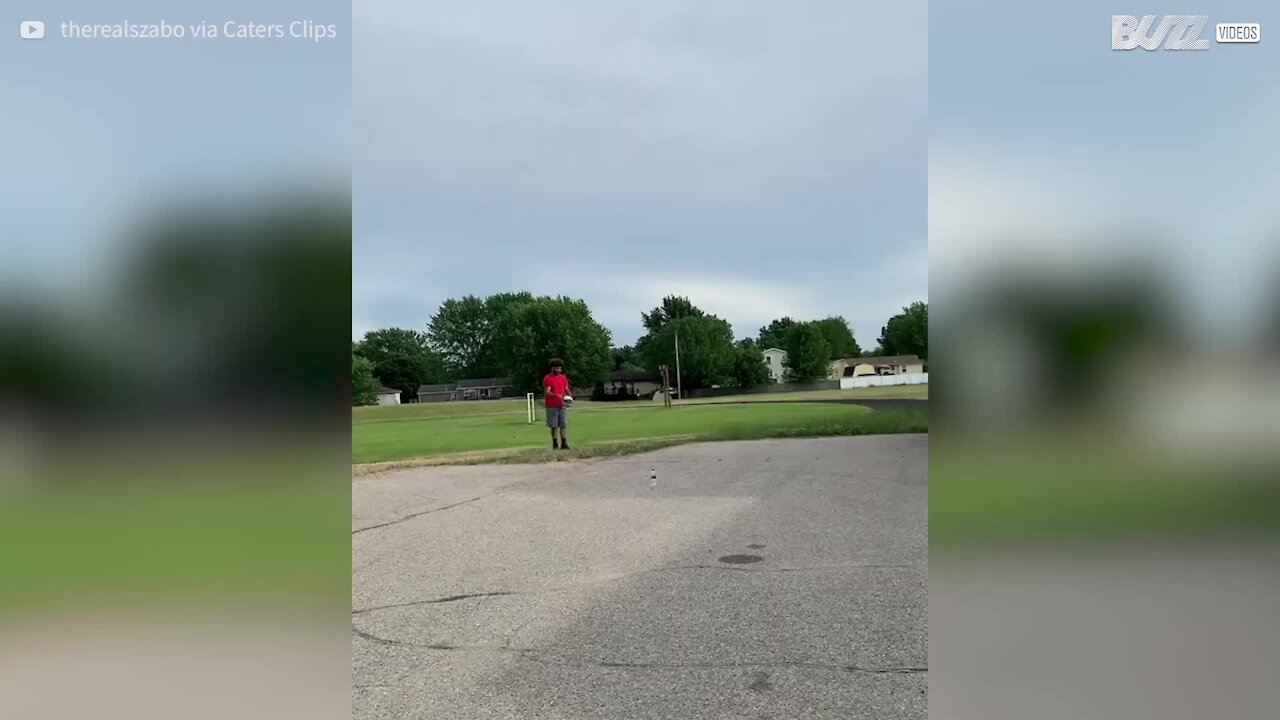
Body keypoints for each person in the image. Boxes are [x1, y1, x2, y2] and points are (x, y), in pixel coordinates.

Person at [543, 358, 571, 450]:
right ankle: (555, 444)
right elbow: (547, 392)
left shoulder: (563, 377)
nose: (559, 370)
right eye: (557, 368)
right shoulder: (548, 378)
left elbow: (566, 389)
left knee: (563, 425)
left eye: (560, 368)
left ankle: (564, 443)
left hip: (562, 405)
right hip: (552, 405)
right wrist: (556, 395)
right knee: (554, 426)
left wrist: (570, 396)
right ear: (553, 368)